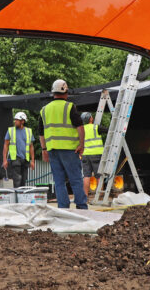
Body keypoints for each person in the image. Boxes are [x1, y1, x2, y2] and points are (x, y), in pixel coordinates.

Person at [38, 79, 87, 209]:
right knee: (75, 180)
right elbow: (80, 127)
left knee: (59, 181)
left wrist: (44, 150)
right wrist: (81, 145)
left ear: (53, 92)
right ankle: (82, 207)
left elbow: (41, 133)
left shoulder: (44, 110)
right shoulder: (69, 106)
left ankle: (63, 208)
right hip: (70, 150)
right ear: (66, 91)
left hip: (52, 150)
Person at [3, 112, 35, 188]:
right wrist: (4, 160)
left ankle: (22, 198)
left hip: (25, 159)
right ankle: (17, 198)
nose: (15, 121)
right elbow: (6, 145)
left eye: (17, 120)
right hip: (15, 158)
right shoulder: (10, 131)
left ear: (22, 121)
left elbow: (31, 147)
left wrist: (32, 161)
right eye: (15, 120)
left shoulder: (28, 131)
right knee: (17, 180)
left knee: (23, 180)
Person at [80, 112, 105, 196]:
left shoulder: (81, 129)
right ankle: (100, 196)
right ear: (90, 119)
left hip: (85, 155)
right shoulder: (96, 127)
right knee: (99, 176)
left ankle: (85, 196)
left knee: (86, 176)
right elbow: (109, 130)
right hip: (96, 154)